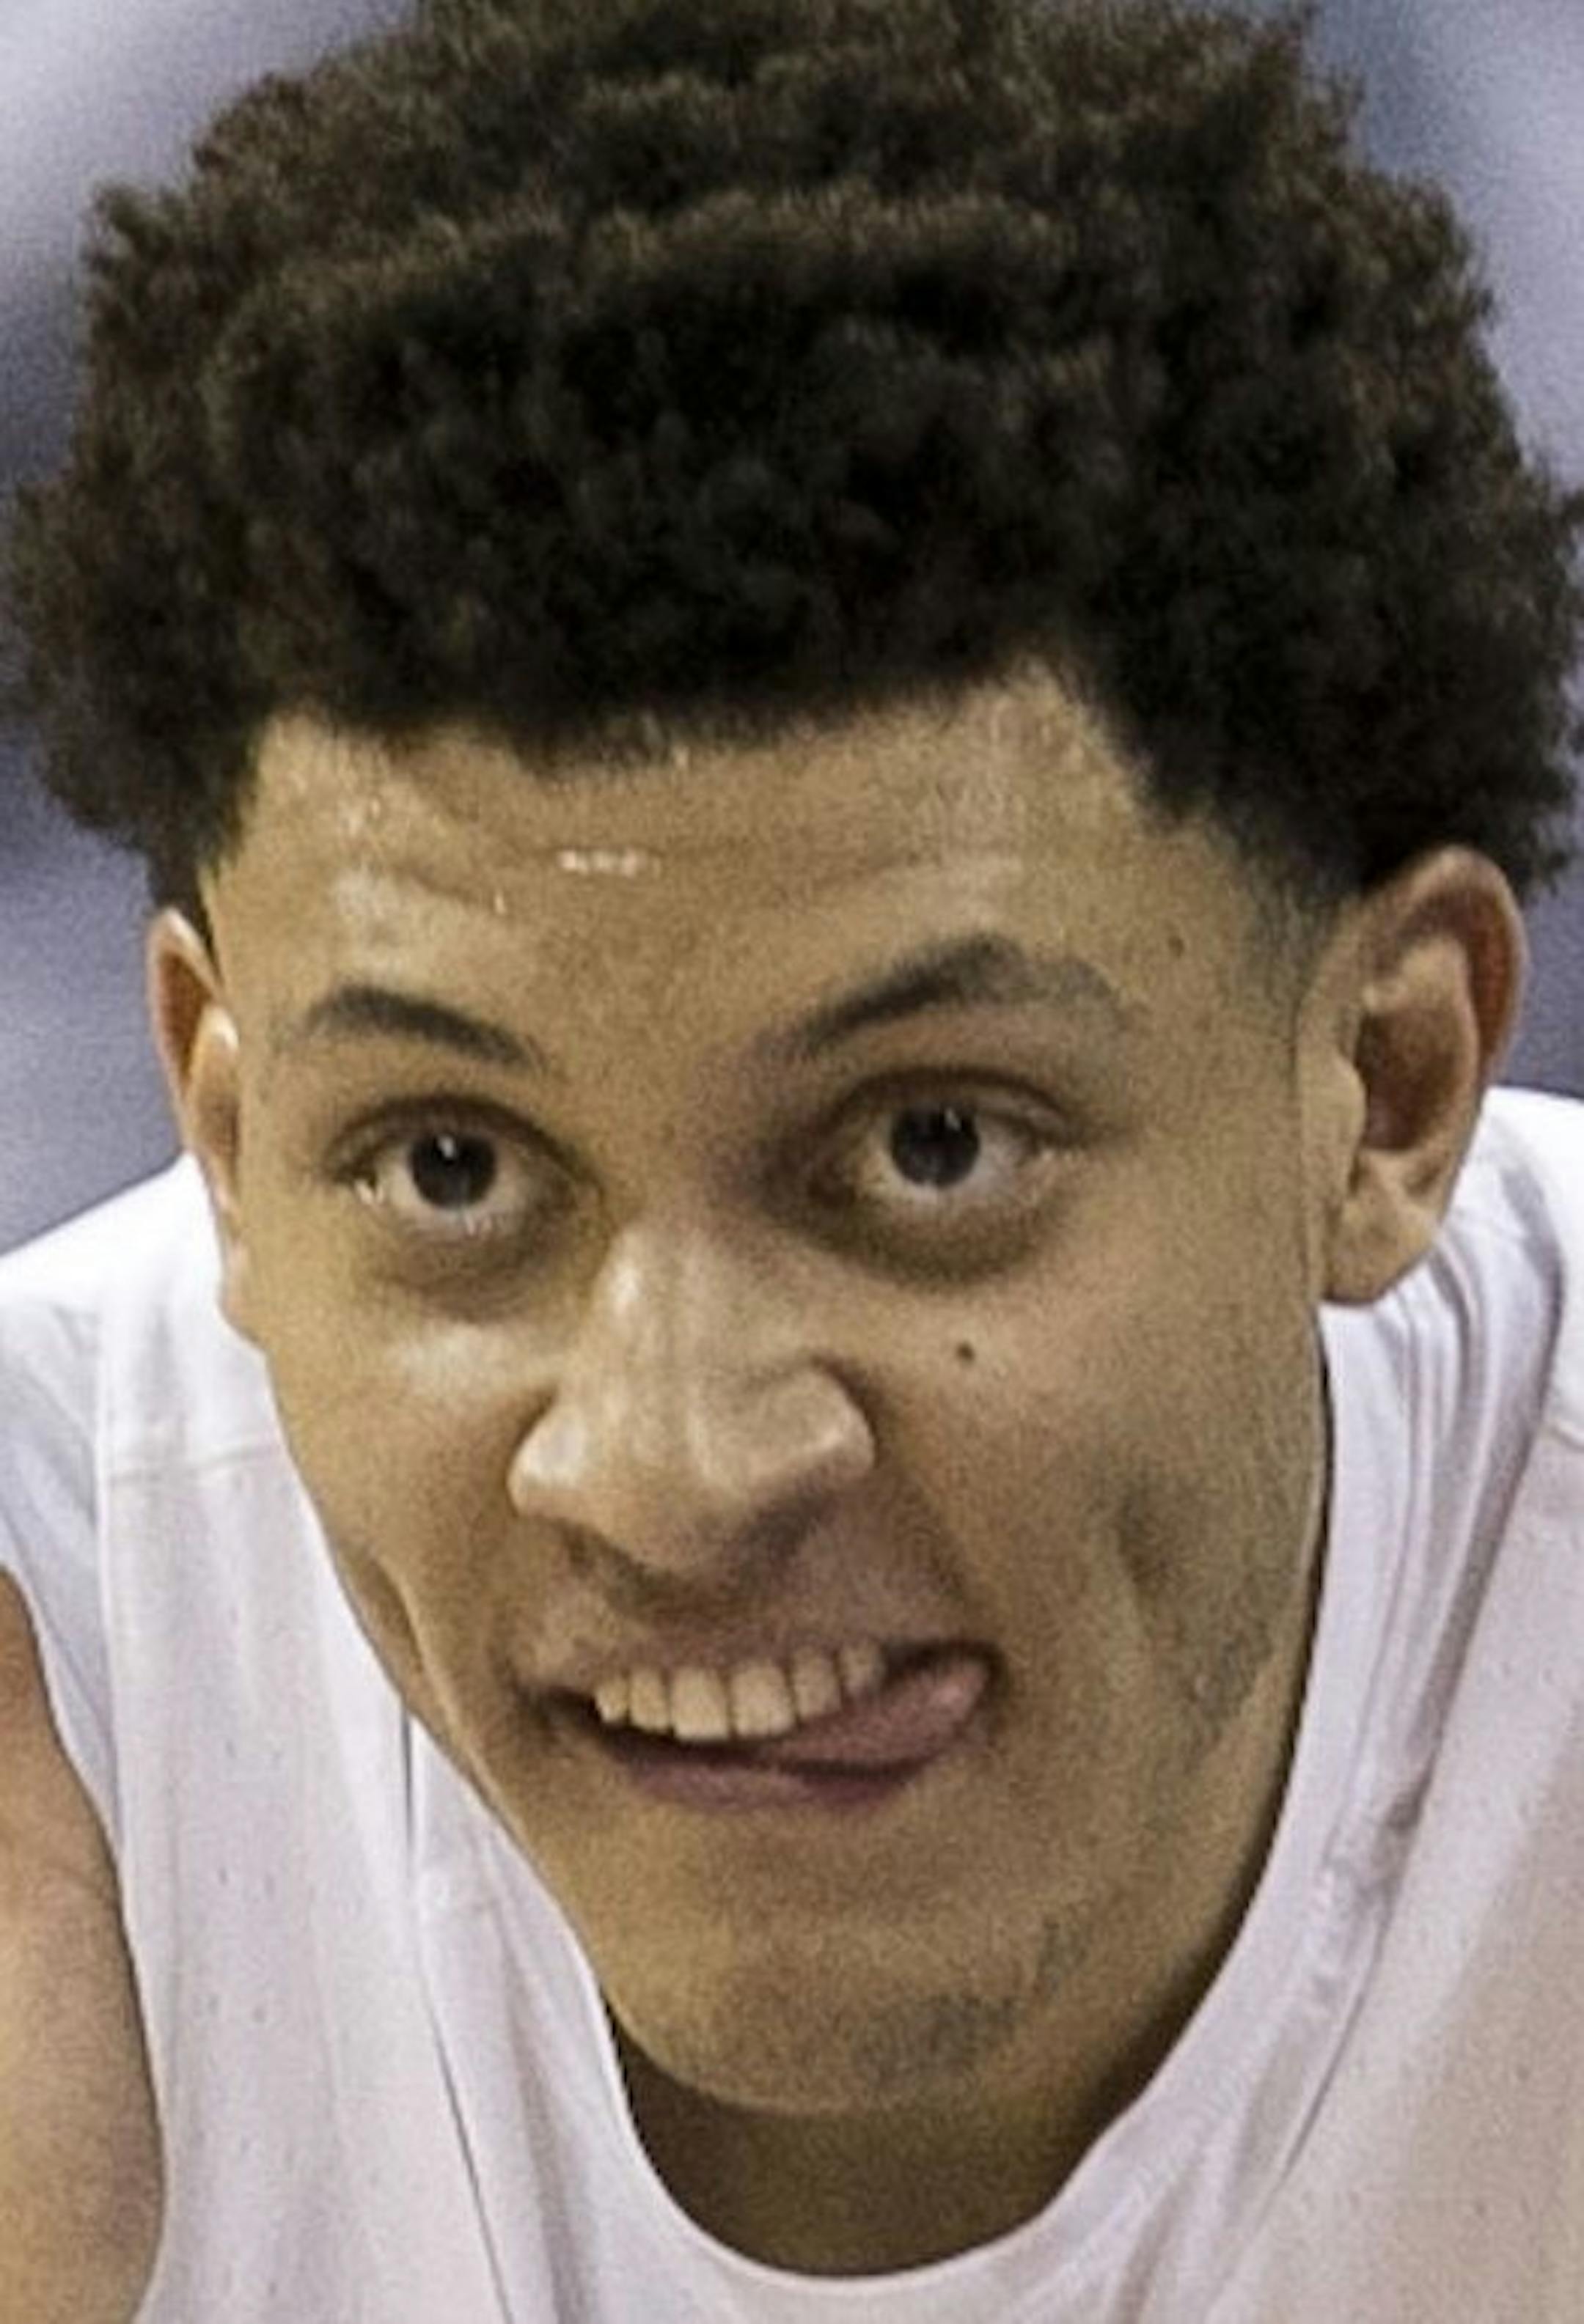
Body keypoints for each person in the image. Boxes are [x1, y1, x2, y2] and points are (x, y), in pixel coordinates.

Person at [1, 0, 1581, 2314]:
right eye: (449, 1167)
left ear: (1392, 1080)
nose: (671, 1470)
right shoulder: (61, 1682)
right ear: (229, 1141)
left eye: (931, 1145)